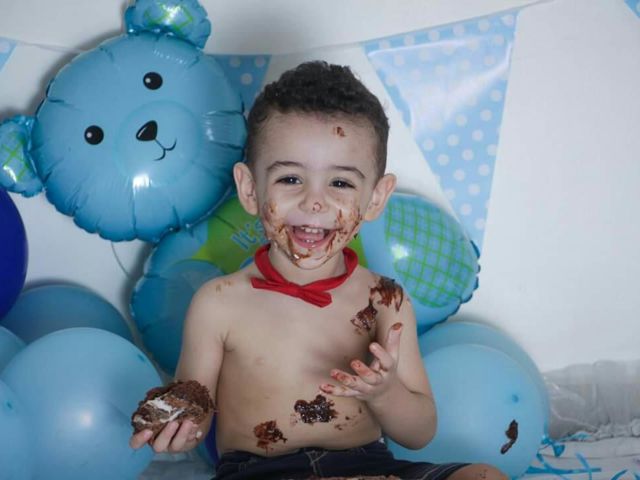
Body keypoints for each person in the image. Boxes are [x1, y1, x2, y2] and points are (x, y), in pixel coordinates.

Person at [130, 61, 507, 480]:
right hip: (260, 473)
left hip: (369, 466)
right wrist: (178, 424)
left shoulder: (384, 300)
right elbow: (194, 403)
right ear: (250, 189)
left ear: (375, 198)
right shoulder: (218, 303)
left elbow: (420, 433)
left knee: (484, 476)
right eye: (290, 179)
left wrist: (385, 394)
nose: (314, 202)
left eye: (340, 183)